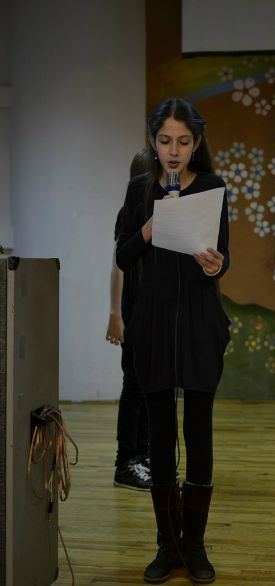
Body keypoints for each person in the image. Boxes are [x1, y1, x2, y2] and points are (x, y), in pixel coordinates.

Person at [116, 97, 230, 585]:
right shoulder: (139, 189)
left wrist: (216, 264)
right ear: (153, 141)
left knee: (198, 434)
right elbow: (123, 257)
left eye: (184, 141)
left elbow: (224, 256)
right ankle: (167, 545)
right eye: (165, 141)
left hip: (201, 323)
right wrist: (150, 227)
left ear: (197, 143)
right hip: (153, 325)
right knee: (160, 436)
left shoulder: (212, 187)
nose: (174, 150)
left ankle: (195, 545)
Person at [105, 149, 152, 491]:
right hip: (134, 309)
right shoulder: (129, 214)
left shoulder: (159, 213)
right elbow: (118, 266)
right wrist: (115, 315)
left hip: (152, 310)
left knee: (150, 386)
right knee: (134, 385)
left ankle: (144, 455)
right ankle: (126, 462)